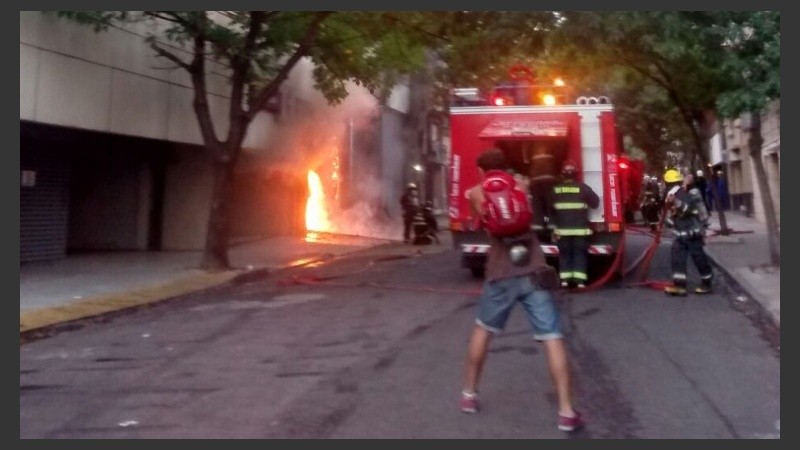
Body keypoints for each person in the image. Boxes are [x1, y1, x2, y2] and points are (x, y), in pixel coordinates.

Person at [460, 148, 584, 433]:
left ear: (482, 170)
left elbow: (480, 225)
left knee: (483, 330)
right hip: (533, 269)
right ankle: (566, 411)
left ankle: (469, 395)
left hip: (500, 272)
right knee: (552, 336)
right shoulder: (521, 184)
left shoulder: (475, 193)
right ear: (505, 167)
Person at [547, 161, 600, 289]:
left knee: (564, 254)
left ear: (562, 175)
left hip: (562, 232)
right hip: (580, 231)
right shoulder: (583, 188)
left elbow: (550, 209)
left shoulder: (555, 190)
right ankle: (580, 282)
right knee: (579, 254)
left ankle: (564, 280)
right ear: (576, 175)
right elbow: (596, 203)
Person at [662, 169, 714, 296]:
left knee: (699, 258)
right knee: (677, 258)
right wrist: (667, 220)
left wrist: (675, 202)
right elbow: (672, 217)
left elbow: (688, 209)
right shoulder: (673, 195)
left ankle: (707, 283)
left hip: (692, 234)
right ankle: (680, 286)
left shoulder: (683, 194)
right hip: (681, 235)